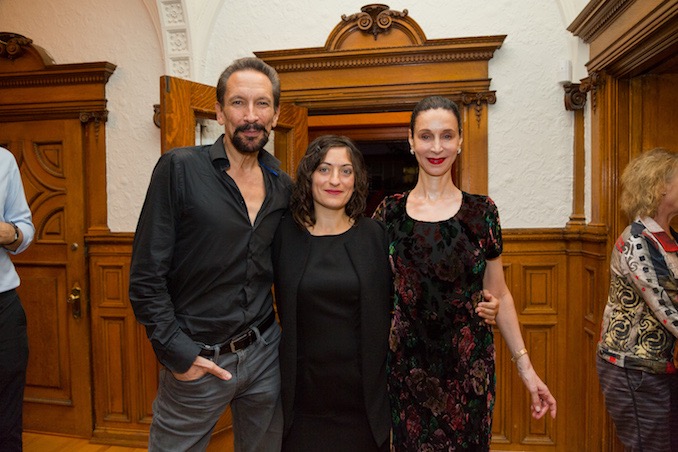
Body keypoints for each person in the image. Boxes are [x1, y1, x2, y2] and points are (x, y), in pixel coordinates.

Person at [373, 95, 557, 450]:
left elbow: (499, 294)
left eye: (446, 135)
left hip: (469, 371)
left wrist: (527, 370)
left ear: (460, 141)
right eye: (426, 136)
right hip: (406, 371)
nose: (436, 147)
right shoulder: (388, 214)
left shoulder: (482, 212)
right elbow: (374, 293)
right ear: (410, 141)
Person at [129, 57, 291, 452]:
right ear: (219, 111)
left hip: (264, 355)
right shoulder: (179, 169)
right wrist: (179, 354)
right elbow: (146, 276)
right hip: (198, 360)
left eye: (262, 104)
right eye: (238, 103)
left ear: (275, 114)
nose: (250, 116)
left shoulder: (283, 185)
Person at [272, 135, 392, 452]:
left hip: (362, 400)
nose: (335, 180)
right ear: (309, 175)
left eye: (345, 171)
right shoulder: (284, 234)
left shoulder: (374, 235)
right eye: (324, 169)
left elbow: (403, 301)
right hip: (302, 401)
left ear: (357, 179)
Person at [597, 148, 678, 452]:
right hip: (632, 370)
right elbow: (668, 307)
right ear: (659, 187)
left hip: (657, 368)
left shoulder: (668, 237)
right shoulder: (637, 241)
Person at [0, 146, 34, 452]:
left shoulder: (3, 161)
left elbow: (25, 227)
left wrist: (9, 233)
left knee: (7, 422)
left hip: (3, 308)